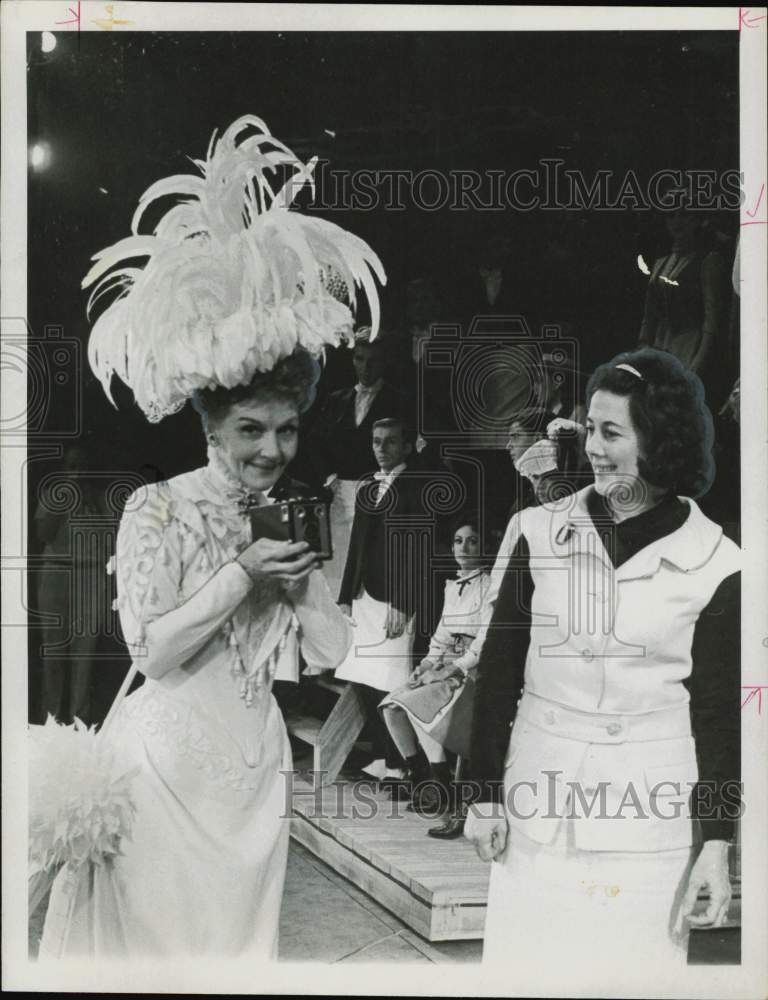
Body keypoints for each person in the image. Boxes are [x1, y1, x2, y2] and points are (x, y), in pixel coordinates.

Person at [38, 114, 384, 958]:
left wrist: (300, 582)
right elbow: (151, 652)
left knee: (240, 952)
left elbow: (336, 647)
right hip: (163, 767)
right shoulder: (155, 507)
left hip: (257, 770)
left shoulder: (301, 507)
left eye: (288, 430)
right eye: (251, 432)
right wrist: (242, 573)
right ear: (210, 427)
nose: (273, 450)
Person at [463, 347, 740, 973]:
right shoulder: (538, 531)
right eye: (590, 427)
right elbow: (499, 673)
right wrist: (481, 795)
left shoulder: (721, 565)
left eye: (611, 432)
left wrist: (717, 844)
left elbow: (722, 716)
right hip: (536, 817)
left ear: (660, 441)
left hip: (649, 829)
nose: (592, 446)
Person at [380, 512, 492, 836]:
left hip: (472, 670)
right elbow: (441, 637)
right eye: (458, 541)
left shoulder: (489, 585)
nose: (464, 547)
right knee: (393, 705)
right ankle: (424, 780)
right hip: (446, 666)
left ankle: (444, 786)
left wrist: (452, 668)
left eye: (472, 541)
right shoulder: (452, 586)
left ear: (485, 547)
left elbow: (485, 640)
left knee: (421, 706)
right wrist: (426, 667)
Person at [335, 417, 427, 782]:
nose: (381, 448)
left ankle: (402, 761)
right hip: (364, 597)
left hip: (393, 599)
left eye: (390, 442)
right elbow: (357, 546)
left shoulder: (415, 488)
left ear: (406, 447)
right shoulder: (367, 487)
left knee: (392, 680)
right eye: (376, 441)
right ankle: (383, 754)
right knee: (363, 677)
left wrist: (403, 602)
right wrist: (345, 596)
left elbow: (416, 550)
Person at [303, 326, 411, 598]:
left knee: (371, 558)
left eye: (373, 360)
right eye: (360, 358)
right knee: (337, 562)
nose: (366, 367)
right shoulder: (337, 399)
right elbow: (314, 442)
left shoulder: (399, 401)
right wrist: (328, 477)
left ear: (384, 361)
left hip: (379, 492)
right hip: (340, 492)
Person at [33, 442, 108, 725]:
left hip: (91, 574)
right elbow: (44, 534)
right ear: (63, 469)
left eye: (83, 466)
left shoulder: (101, 498)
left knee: (84, 654)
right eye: (72, 466)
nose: (78, 472)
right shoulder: (53, 494)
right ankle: (49, 720)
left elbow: (111, 540)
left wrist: (91, 503)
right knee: (54, 651)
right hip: (56, 573)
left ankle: (80, 721)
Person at [637, 199, 729, 403]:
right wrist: (643, 349)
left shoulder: (709, 262)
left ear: (697, 219)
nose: (677, 221)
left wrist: (696, 366)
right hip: (659, 348)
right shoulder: (660, 263)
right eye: (671, 215)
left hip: (689, 349)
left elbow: (711, 322)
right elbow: (649, 315)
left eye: (684, 214)